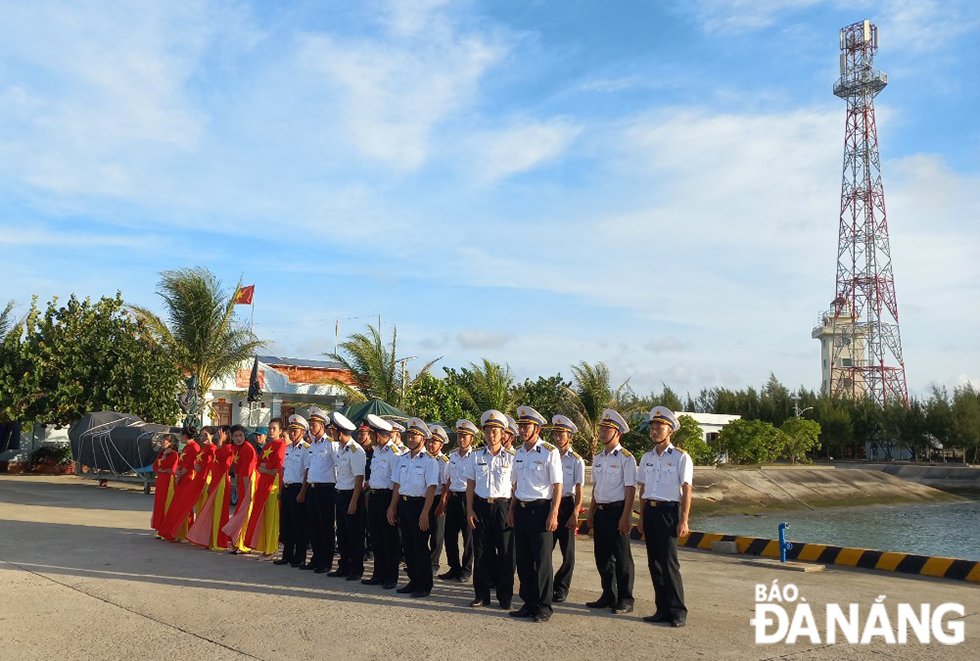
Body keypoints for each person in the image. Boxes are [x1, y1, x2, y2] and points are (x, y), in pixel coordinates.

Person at [636, 406, 693, 628]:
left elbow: (687, 489)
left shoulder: (681, 457)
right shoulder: (647, 457)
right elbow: (642, 489)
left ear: (670, 430)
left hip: (669, 512)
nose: (655, 431)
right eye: (653, 427)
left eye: (660, 427)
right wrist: (641, 517)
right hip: (650, 511)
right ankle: (662, 609)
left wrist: (684, 519)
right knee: (654, 563)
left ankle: (678, 610)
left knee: (669, 564)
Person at [508, 405, 562, 623]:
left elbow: (557, 485)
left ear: (537, 429)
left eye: (526, 426)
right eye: (520, 426)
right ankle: (528, 603)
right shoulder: (519, 453)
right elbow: (515, 484)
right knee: (523, 559)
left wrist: (554, 513)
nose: (522, 430)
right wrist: (511, 510)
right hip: (520, 509)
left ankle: (544, 606)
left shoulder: (550, 452)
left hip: (541, 510)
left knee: (542, 560)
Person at [585, 409, 637, 615]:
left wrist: (626, 516)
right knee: (602, 557)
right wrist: (591, 513)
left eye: (608, 429)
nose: (603, 432)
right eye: (602, 429)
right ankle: (608, 594)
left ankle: (626, 598)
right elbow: (596, 489)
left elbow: (630, 489)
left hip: (617, 511)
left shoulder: (626, 458)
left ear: (618, 433)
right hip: (601, 511)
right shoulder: (598, 458)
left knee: (622, 558)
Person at [464, 409, 515, 609]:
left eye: (495, 431)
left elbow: (516, 487)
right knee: (482, 552)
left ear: (503, 434)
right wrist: (469, 510)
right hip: (481, 506)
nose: (491, 434)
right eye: (488, 430)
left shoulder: (512, 457)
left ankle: (505, 598)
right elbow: (470, 484)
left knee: (505, 554)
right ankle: (481, 595)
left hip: (503, 507)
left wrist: (512, 511)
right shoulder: (476, 456)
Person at [387, 417, 440, 598]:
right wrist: (392, 507)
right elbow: (397, 485)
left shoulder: (429, 461)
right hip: (404, 503)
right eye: (409, 435)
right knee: (407, 546)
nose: (411, 438)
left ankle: (424, 585)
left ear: (423, 439)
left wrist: (426, 513)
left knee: (420, 547)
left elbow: (432, 488)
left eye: (415, 436)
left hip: (419, 506)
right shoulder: (403, 459)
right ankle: (413, 580)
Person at [363, 414, 403, 588]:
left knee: (390, 540)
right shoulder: (377, 451)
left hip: (387, 498)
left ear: (378, 435)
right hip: (374, 496)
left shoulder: (395, 454)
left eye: (372, 434)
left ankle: (391, 577)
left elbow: (396, 483)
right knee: (376, 538)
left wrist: (392, 506)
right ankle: (377, 574)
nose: (371, 437)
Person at [549, 415, 584, 603]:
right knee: (545, 549)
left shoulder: (576, 460)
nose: (558, 437)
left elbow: (579, 488)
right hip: (550, 504)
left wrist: (575, 512)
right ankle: (545, 585)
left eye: (561, 433)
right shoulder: (549, 455)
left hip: (567, 505)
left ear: (570, 436)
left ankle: (561, 587)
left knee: (567, 552)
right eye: (556, 433)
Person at [298, 408, 338, 574]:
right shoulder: (312, 445)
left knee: (325, 527)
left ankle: (325, 561)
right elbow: (309, 469)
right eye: (310, 424)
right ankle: (315, 558)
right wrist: (304, 490)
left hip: (326, 490)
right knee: (313, 526)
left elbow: (338, 466)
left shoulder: (331, 444)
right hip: (313, 489)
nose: (311, 427)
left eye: (314, 424)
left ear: (322, 425)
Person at [439, 419, 477, 582]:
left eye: (465, 436)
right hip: (453, 498)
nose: (461, 439)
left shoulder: (475, 457)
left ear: (471, 439)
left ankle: (466, 570)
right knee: (450, 536)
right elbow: (448, 480)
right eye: (460, 436)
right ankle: (454, 568)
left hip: (467, 499)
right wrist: (444, 500)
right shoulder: (452, 456)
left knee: (468, 538)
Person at [330, 411, 366, 580]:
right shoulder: (341, 449)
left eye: (333, 430)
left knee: (354, 535)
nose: (332, 433)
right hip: (340, 494)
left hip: (351, 495)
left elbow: (359, 478)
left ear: (340, 431)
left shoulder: (355, 451)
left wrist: (353, 502)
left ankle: (356, 568)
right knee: (342, 534)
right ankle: (344, 565)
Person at [186, 434, 236, 551]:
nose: (220, 435)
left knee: (219, 512)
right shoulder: (215, 447)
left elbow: (220, 457)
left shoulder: (229, 448)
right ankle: (210, 539)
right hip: (215, 480)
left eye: (221, 432)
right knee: (212, 511)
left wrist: (218, 442)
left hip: (222, 481)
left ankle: (218, 541)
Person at [246, 421, 288, 555]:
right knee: (262, 515)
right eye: (269, 428)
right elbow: (259, 465)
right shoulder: (268, 445)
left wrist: (266, 469)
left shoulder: (281, 445)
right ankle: (263, 546)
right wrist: (266, 469)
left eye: (274, 428)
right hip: (263, 483)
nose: (271, 431)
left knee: (272, 517)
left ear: (280, 431)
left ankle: (271, 548)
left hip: (273, 484)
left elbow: (276, 467)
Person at [274, 415, 311, 567]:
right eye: (290, 430)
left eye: (295, 430)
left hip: (298, 489)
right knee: (286, 524)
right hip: (287, 488)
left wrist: (302, 492)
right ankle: (287, 555)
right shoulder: (288, 449)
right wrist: (282, 489)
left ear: (302, 432)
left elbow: (307, 472)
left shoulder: (306, 449)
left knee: (299, 525)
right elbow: (286, 471)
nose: (292, 433)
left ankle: (300, 556)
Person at [158, 426, 203, 541]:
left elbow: (188, 465)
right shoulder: (187, 447)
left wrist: (179, 475)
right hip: (182, 478)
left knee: (184, 507)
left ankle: (182, 532)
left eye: (180, 434)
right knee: (178, 506)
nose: (179, 436)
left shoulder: (194, 447)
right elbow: (182, 462)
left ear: (184, 435)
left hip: (188, 478)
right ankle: (178, 532)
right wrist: (178, 473)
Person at [221, 424, 258, 553]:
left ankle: (243, 544)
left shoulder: (247, 448)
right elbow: (236, 468)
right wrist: (237, 485)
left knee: (245, 513)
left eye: (240, 435)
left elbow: (248, 472)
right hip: (242, 483)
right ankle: (237, 542)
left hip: (249, 483)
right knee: (240, 512)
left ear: (244, 435)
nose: (238, 438)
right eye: (235, 436)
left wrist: (247, 491)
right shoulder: (236, 448)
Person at [427, 425, 450, 574]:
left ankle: (433, 564)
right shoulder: (423, 458)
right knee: (422, 532)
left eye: (434, 442)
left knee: (436, 534)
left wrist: (442, 503)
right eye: (429, 441)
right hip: (424, 499)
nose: (430, 444)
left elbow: (446, 484)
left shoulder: (444, 461)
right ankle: (423, 561)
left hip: (437, 500)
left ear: (441, 445)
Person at [151, 434, 178, 534]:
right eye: (162, 440)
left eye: (164, 440)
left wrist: (162, 469)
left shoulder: (174, 454)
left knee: (167, 503)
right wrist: (163, 458)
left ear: (170, 443)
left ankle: (165, 528)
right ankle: (159, 527)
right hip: (161, 481)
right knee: (159, 504)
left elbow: (173, 470)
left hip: (168, 482)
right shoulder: (162, 453)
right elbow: (155, 466)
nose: (162, 442)